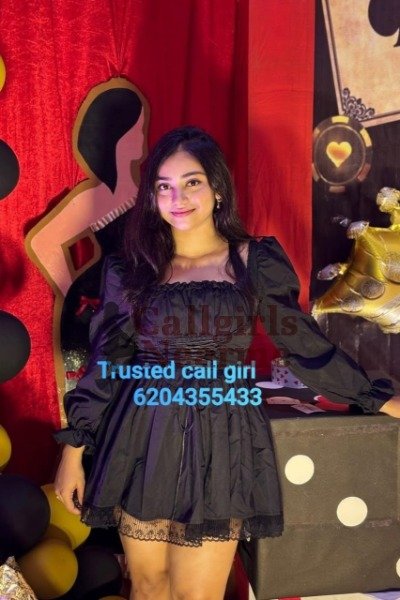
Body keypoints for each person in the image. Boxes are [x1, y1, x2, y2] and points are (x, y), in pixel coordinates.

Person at [54, 125, 400, 600]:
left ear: (217, 188)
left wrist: (376, 398)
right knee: (149, 587)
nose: (177, 198)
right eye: (163, 186)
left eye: (191, 182)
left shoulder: (255, 260)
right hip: (143, 433)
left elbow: (301, 342)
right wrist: (73, 450)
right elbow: (106, 362)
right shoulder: (130, 269)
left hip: (223, 435)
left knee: (197, 595)